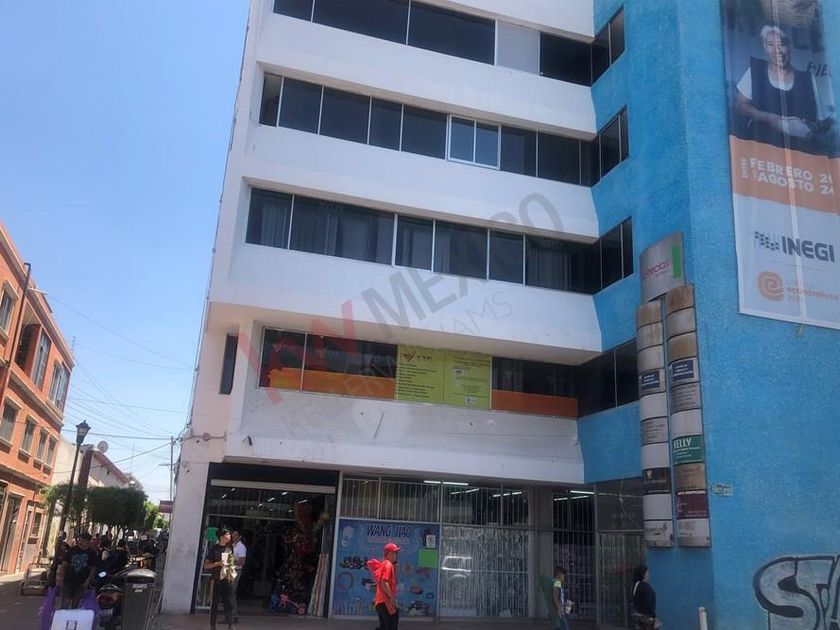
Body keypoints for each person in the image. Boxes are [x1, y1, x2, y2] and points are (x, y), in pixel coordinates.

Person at [736, 25, 824, 152]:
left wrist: (810, 128)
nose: (777, 51)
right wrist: (771, 119)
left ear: (790, 46)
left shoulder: (807, 80)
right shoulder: (755, 70)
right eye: (770, 45)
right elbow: (740, 105)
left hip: (799, 151)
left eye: (782, 44)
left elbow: (823, 121)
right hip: (760, 146)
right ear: (765, 47)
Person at [57, 532, 99, 609]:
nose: (80, 542)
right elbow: (64, 564)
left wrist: (88, 580)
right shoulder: (72, 550)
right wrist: (61, 578)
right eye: (79, 540)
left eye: (83, 541)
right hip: (68, 580)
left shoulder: (92, 553)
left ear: (88, 542)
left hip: (81, 582)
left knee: (76, 604)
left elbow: (93, 568)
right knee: (65, 602)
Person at [204, 528, 236, 630]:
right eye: (227, 534)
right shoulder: (214, 549)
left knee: (229, 602)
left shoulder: (230, 548)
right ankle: (212, 625)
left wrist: (231, 566)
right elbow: (206, 565)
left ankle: (231, 624)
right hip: (217, 579)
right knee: (215, 603)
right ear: (222, 537)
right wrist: (218, 563)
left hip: (227, 578)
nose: (229, 536)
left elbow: (232, 563)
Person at [367, 542, 400, 630]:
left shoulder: (386, 564)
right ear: (389, 553)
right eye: (395, 553)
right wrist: (392, 598)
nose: (396, 555)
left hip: (381, 603)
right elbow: (384, 583)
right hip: (386, 602)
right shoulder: (388, 564)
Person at [631, 564, 661, 630]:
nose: (648, 575)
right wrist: (653, 616)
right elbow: (648, 602)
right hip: (646, 618)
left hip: (638, 616)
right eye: (647, 573)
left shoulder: (636, 585)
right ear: (643, 575)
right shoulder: (645, 587)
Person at [230, 530, 247, 623]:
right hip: (230, 570)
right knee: (228, 592)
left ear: (239, 536)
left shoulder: (241, 547)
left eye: (235, 535)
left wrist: (231, 560)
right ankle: (230, 615)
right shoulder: (231, 546)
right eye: (232, 534)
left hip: (236, 570)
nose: (233, 536)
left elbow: (242, 562)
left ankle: (233, 615)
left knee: (231, 591)